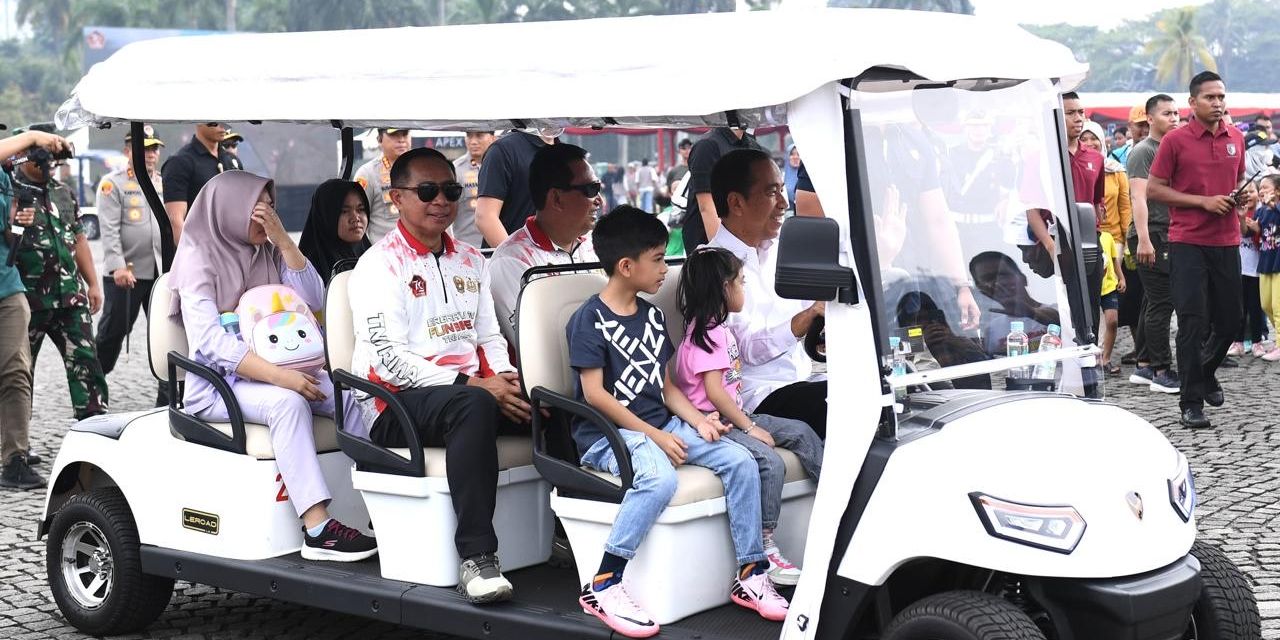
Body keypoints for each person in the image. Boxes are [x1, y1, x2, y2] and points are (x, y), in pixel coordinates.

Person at [568, 205, 786, 638]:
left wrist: (699, 420)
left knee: (741, 461)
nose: (665, 268)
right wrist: (655, 435)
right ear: (627, 267)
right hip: (609, 435)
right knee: (659, 479)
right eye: (656, 259)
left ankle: (751, 571)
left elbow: (666, 386)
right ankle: (605, 582)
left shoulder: (651, 316)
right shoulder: (588, 320)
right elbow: (595, 395)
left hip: (660, 425)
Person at [349, 147, 529, 604]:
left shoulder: (471, 259)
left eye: (449, 190)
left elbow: (489, 336)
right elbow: (388, 358)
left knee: (547, 398)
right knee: (472, 405)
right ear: (396, 198)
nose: (440, 201)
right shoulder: (378, 265)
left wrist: (506, 381)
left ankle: (577, 533)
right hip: (394, 402)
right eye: (426, 191)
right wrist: (475, 386)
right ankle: (477, 557)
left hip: (471, 393)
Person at [168, 170, 377, 560]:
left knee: (353, 397)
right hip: (219, 385)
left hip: (285, 369)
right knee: (288, 404)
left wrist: (283, 241)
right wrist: (283, 379)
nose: (267, 218)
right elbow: (211, 344)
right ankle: (317, 528)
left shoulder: (266, 250)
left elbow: (315, 297)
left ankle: (386, 496)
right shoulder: (198, 260)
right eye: (259, 210)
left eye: (272, 209)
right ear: (230, 210)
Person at [672, 246, 823, 586]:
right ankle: (765, 545)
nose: (745, 288)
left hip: (734, 414)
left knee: (800, 431)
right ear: (723, 288)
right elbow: (714, 394)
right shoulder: (708, 335)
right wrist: (750, 427)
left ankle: (835, 499)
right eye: (741, 282)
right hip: (719, 422)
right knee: (769, 461)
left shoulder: (719, 329)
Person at [1146, 71, 1246, 429]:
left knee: (1232, 320)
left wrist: (1241, 199)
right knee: (1192, 321)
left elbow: (1236, 182)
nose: (1218, 103)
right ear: (1193, 103)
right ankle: (1191, 403)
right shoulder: (1175, 141)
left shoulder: (1236, 137)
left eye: (1222, 97)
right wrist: (1202, 202)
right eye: (1210, 98)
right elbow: (1154, 190)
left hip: (1227, 241)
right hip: (1187, 241)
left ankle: (1202, 372)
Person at [707, 149, 827, 437]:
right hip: (757, 395)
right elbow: (745, 350)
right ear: (736, 203)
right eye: (772, 193)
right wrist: (806, 319)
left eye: (783, 191)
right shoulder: (710, 266)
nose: (784, 203)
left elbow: (818, 313)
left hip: (805, 376)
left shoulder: (783, 252)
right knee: (845, 405)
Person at [9, 125, 108, 420]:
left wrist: (92, 284)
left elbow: (79, 239)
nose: (51, 162)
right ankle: (17, 444)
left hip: (70, 298)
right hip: (29, 300)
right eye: (46, 154)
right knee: (20, 372)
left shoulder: (63, 193)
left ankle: (93, 426)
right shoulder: (10, 190)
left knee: (87, 363)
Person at [0, 129, 69, 489]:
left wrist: (16, 226)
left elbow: (8, 235)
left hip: (7, 285)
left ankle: (15, 458)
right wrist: (34, 136)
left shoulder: (5, 179)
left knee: (15, 370)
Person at [487, 143, 599, 344]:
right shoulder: (511, 262)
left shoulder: (594, 246)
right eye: (591, 189)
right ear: (556, 198)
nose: (599, 200)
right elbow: (535, 346)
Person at [1028, 92, 1105, 334]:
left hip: (1089, 243)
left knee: (1091, 306)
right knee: (1060, 308)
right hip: (1055, 242)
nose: (1078, 118)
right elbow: (1032, 208)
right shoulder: (1039, 158)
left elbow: (1096, 203)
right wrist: (1051, 246)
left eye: (1080, 112)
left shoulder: (1095, 157)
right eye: (1070, 113)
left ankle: (1090, 355)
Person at [95, 127, 165, 376]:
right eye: (143, 148)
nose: (150, 154)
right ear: (128, 150)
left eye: (154, 148)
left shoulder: (164, 182)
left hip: (160, 272)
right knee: (112, 333)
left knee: (166, 335)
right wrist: (117, 266)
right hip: (127, 274)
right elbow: (109, 229)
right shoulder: (113, 184)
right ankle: (94, 386)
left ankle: (167, 397)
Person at [1127, 93, 1181, 395]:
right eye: (1166, 114)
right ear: (1150, 118)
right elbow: (1138, 197)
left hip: (1166, 232)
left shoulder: (1170, 148)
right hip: (1153, 235)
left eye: (1176, 113)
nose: (1173, 118)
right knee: (1163, 303)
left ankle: (1145, 363)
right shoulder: (1144, 151)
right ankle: (1162, 371)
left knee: (1152, 301)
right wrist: (1144, 238)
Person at [682, 127, 766, 253]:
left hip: (743, 244)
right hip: (709, 249)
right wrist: (724, 257)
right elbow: (707, 208)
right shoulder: (707, 146)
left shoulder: (752, 146)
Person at [476, 129, 558, 247]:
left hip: (557, 257)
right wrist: (516, 258)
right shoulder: (503, 150)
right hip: (514, 259)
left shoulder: (563, 152)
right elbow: (485, 217)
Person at [162, 122, 234, 244]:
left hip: (233, 248)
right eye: (216, 121)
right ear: (200, 121)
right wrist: (193, 257)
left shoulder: (232, 161)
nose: (223, 126)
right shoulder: (180, 162)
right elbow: (175, 220)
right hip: (201, 248)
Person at [297, 179, 371, 285]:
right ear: (325, 215)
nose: (355, 218)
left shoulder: (372, 254)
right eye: (344, 211)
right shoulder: (308, 268)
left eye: (361, 209)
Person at [354, 128, 411, 244]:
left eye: (405, 134)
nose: (401, 140)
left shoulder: (422, 170)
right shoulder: (367, 173)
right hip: (385, 253)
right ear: (379, 139)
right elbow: (356, 217)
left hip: (421, 252)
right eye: (394, 135)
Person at [1231, 177, 1268, 358]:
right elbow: (1241, 232)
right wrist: (1242, 217)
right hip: (1239, 269)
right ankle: (1237, 342)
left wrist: (1254, 226)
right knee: (1238, 307)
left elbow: (1254, 234)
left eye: (1252, 191)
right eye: (1245, 192)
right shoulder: (1235, 213)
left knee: (1255, 307)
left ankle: (1257, 341)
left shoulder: (1263, 213)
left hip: (1256, 270)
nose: (1249, 195)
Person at [450, 131, 496, 248]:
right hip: (467, 247)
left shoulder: (501, 166)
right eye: (469, 136)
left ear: (492, 138)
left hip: (497, 244)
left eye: (479, 135)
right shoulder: (455, 170)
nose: (473, 141)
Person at [1255, 175, 1280, 361]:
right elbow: (1254, 230)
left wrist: (1274, 206)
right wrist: (1243, 221)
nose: (1261, 191)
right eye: (1260, 188)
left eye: (1265, 187)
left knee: (1278, 306)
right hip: (1265, 262)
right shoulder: (1261, 211)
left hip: (1278, 262)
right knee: (1266, 304)